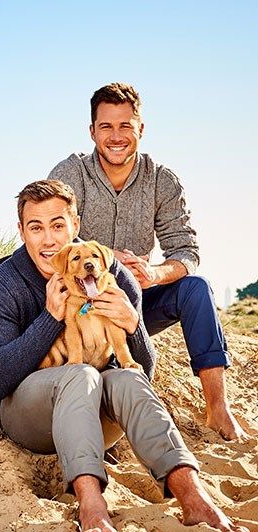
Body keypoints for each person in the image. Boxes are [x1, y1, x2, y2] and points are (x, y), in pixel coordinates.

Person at [0, 180, 248, 532]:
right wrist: (50, 319)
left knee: (128, 377)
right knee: (81, 374)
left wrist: (134, 325)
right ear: (21, 231)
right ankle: (91, 506)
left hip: (97, 421)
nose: (48, 240)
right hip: (31, 420)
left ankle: (194, 497)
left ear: (75, 224)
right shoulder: (2, 283)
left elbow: (143, 370)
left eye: (58, 225)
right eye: (36, 228)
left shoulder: (112, 274)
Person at [48, 82, 247, 441]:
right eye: (106, 126)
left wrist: (154, 273)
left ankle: (218, 409)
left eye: (125, 125)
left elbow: (186, 251)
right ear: (92, 131)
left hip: (137, 302)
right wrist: (110, 261)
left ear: (141, 129)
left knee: (197, 288)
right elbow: (51, 236)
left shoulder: (162, 180)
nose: (116, 136)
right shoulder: (71, 172)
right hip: (80, 304)